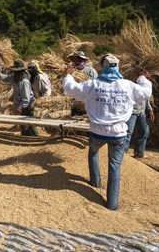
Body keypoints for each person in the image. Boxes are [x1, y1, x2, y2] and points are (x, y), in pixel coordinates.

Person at [62, 54, 152, 210]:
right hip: (118, 134)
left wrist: (69, 75)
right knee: (114, 167)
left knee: (93, 153)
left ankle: (95, 182)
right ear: (117, 67)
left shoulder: (92, 84)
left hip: (97, 131)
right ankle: (112, 204)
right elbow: (145, 93)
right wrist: (142, 78)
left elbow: (71, 89)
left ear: (102, 67)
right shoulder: (127, 85)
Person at [0, 60, 36, 136]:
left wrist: (20, 108)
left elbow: (26, 98)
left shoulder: (24, 81)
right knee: (23, 125)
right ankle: (26, 139)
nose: (14, 72)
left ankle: (33, 138)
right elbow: (5, 78)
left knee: (28, 125)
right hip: (20, 104)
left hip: (27, 105)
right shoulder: (14, 77)